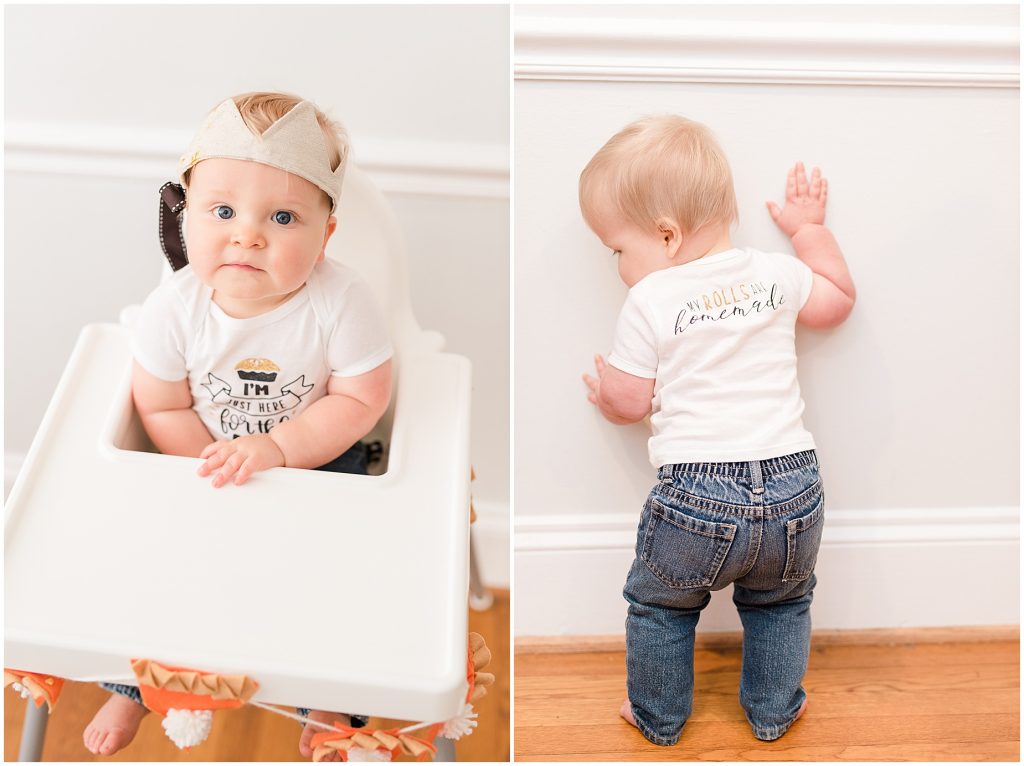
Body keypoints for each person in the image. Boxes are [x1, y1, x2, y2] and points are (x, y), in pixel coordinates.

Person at [82, 91, 392, 760]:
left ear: (325, 234)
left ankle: (326, 695)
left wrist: (278, 447)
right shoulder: (175, 306)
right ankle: (130, 685)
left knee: (329, 578)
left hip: (316, 463)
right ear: (185, 214)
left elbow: (362, 398)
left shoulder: (342, 301)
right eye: (222, 211)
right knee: (161, 566)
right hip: (203, 462)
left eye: (282, 217)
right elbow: (160, 404)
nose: (247, 234)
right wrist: (217, 459)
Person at [579, 115, 855, 745]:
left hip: (696, 494)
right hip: (793, 485)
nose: (619, 264)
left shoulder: (650, 299)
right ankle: (773, 711)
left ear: (667, 235)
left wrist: (606, 396)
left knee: (660, 609)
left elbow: (629, 399)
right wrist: (809, 231)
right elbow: (837, 300)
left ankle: (659, 716)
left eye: (618, 248)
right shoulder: (775, 273)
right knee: (781, 605)